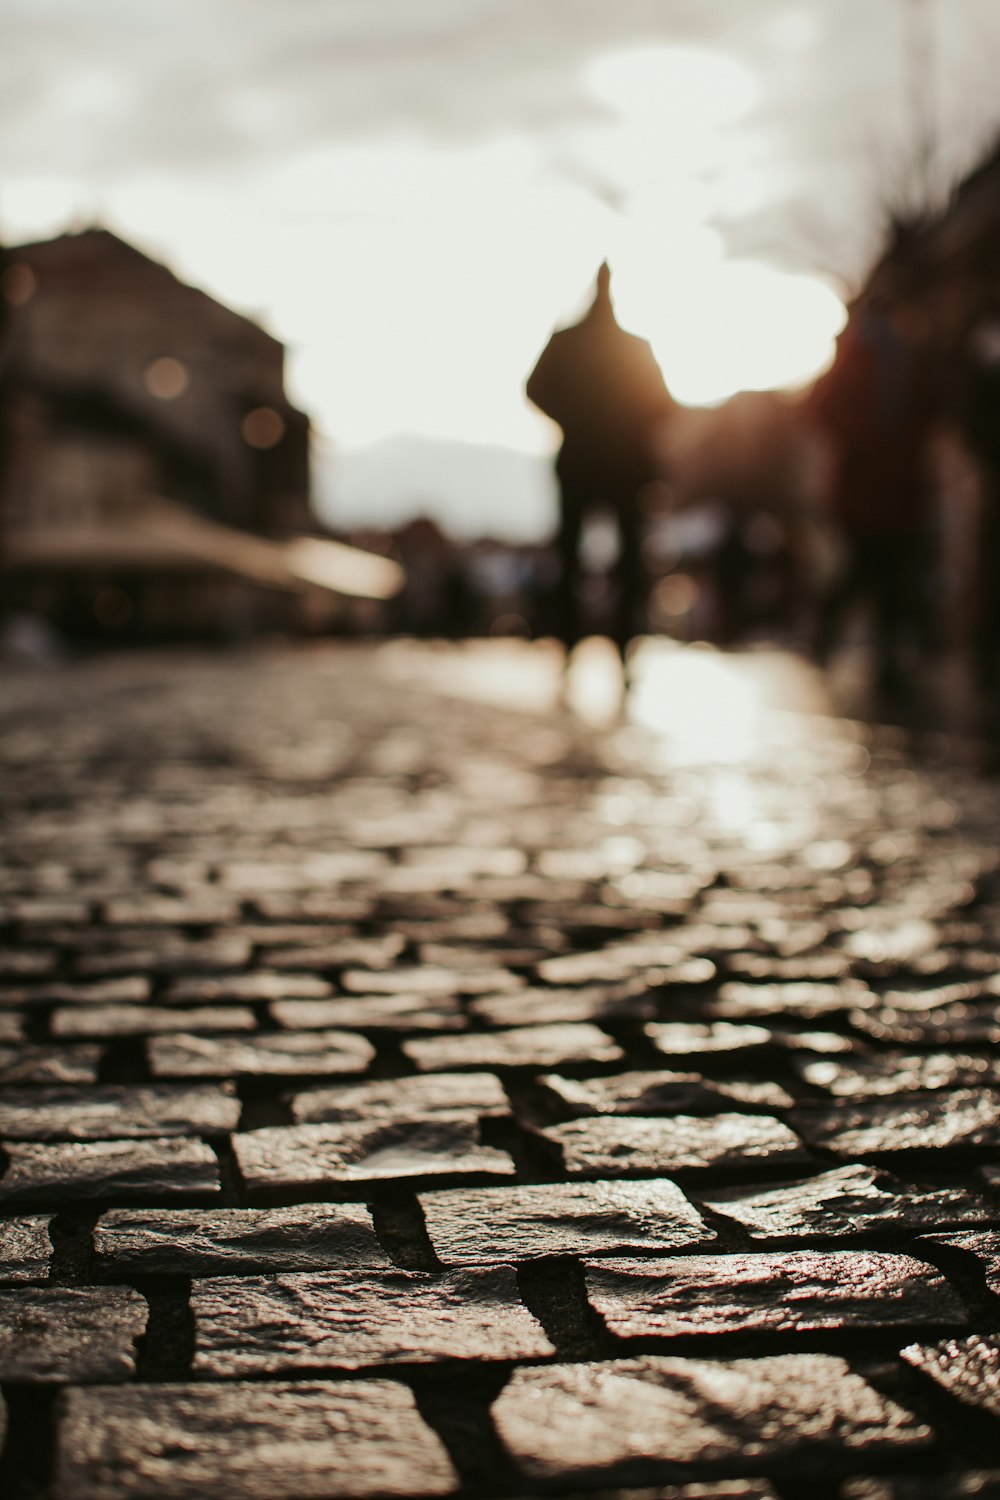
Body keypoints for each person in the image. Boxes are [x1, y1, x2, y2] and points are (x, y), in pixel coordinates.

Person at [526, 263, 675, 669]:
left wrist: (574, 420)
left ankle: (573, 643)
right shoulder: (634, 346)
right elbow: (663, 404)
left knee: (573, 558)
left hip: (580, 461)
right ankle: (622, 644)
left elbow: (534, 390)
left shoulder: (568, 340)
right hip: (623, 465)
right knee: (624, 562)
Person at [807, 267, 935, 695]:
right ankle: (842, 640)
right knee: (868, 568)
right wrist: (863, 438)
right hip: (866, 487)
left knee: (887, 570)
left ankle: (885, 660)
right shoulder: (860, 352)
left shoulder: (909, 355)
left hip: (897, 486)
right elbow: (820, 409)